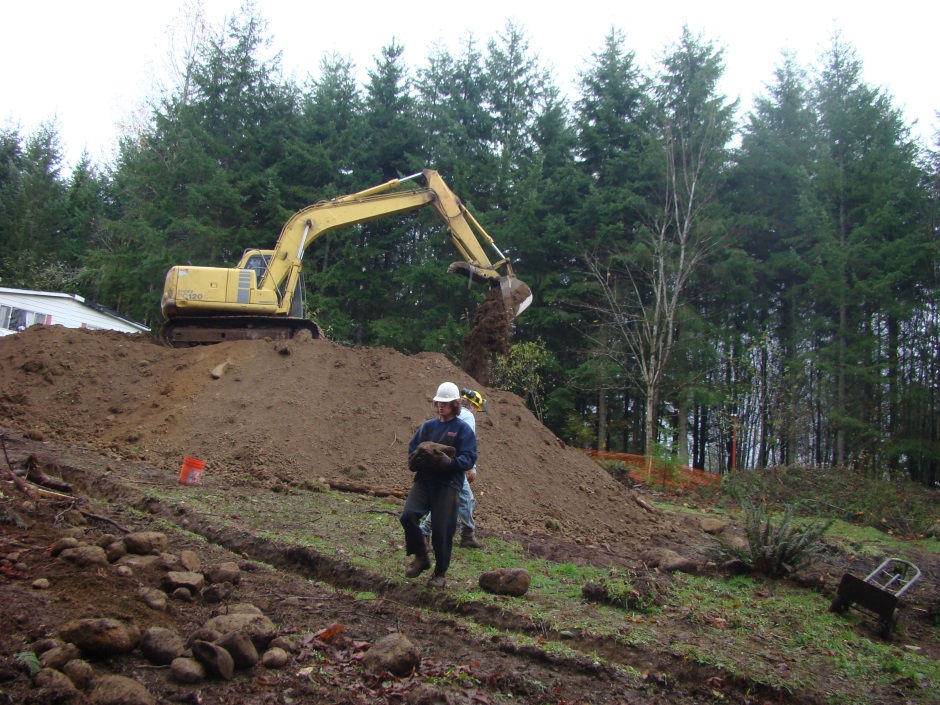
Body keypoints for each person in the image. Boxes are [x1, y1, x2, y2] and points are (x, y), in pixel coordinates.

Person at [399, 382, 478, 588]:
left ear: (454, 404)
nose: (441, 407)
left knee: (443, 531)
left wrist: (451, 463)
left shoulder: (462, 429)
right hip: (424, 481)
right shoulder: (428, 427)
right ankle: (421, 557)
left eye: (445, 403)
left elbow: (469, 458)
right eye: (438, 403)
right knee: (408, 516)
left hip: (448, 484)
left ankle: (440, 573)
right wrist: (416, 460)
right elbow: (412, 450)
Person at [419, 389, 485, 548]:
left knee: (465, 499)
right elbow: (468, 444)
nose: (476, 412)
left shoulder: (449, 417)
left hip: (442, 463)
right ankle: (424, 532)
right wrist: (471, 467)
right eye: (477, 408)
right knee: (451, 500)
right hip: (454, 466)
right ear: (471, 405)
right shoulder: (468, 416)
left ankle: (467, 534)